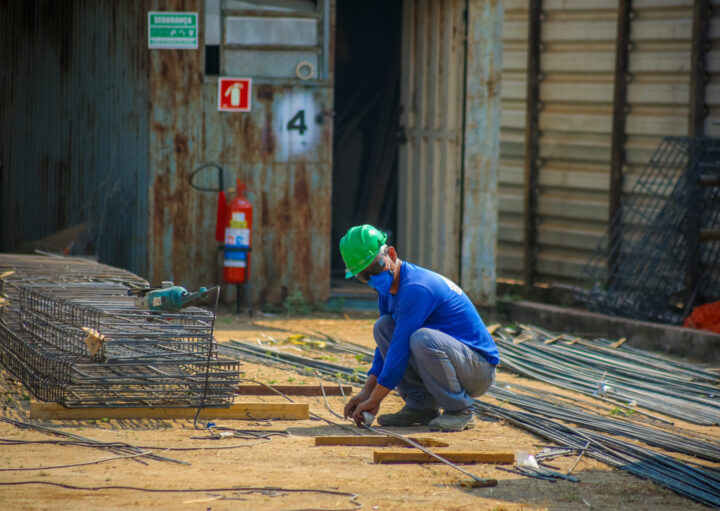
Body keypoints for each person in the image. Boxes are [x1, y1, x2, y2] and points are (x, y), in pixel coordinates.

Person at [340, 224, 499, 432]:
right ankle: (421, 406)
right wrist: (366, 393)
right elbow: (386, 349)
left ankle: (460, 410)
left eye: (376, 268)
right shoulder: (387, 293)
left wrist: (375, 400)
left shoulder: (416, 288)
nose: (373, 279)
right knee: (383, 328)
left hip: (478, 369)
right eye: (364, 275)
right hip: (455, 361)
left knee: (421, 339)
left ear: (392, 254)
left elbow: (398, 352)